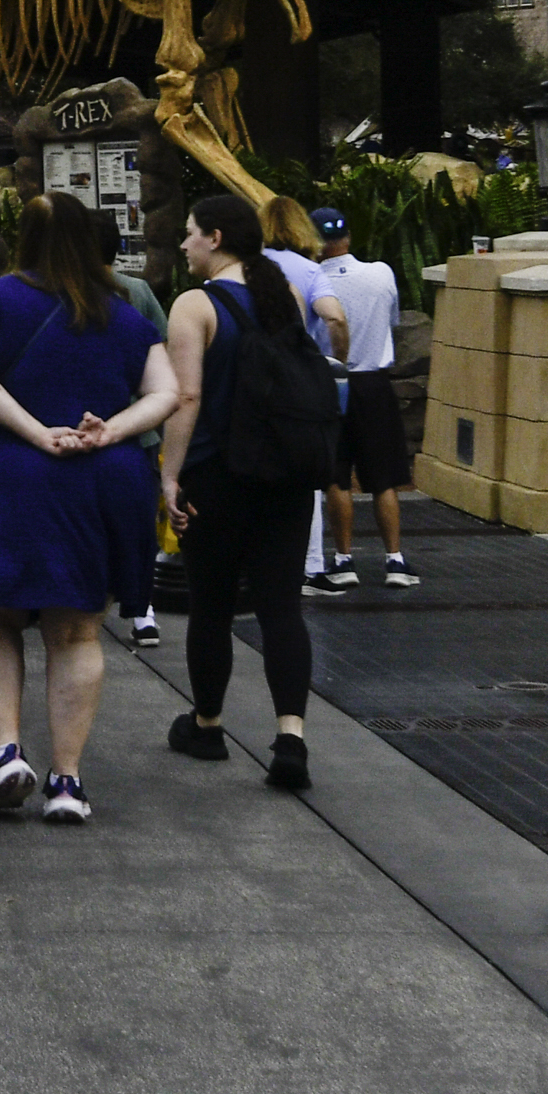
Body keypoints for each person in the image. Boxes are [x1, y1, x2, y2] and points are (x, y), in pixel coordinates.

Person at [0, 195, 176, 823]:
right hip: (103, 480)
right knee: (76, 630)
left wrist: (38, 432)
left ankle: (7, 751)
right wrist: (111, 431)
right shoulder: (124, 316)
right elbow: (169, 392)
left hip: (11, 472)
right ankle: (67, 780)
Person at [159, 193, 323, 793]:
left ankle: (207, 724)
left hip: (217, 474)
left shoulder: (193, 306)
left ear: (216, 237)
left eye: (190, 233)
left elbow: (188, 398)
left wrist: (169, 474)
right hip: (284, 471)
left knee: (212, 604)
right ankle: (291, 736)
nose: (183, 244)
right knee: (282, 604)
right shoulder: (287, 296)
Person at [314, 207, 420, 589]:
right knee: (384, 477)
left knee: (337, 477)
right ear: (348, 236)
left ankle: (343, 561)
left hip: (330, 382)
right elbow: (391, 321)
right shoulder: (381, 272)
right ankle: (395, 560)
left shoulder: (312, 280)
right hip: (374, 382)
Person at [259, 192, 353, 594]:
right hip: (297, 381)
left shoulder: (246, 267)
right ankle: (310, 564)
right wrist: (333, 359)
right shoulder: (311, 272)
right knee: (306, 473)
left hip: (253, 379)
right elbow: (334, 316)